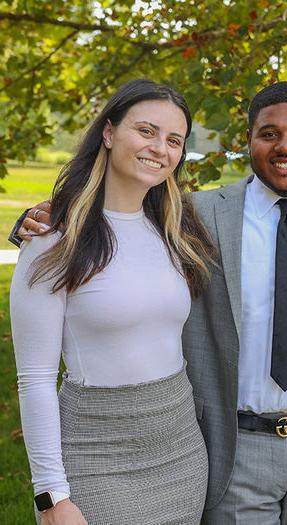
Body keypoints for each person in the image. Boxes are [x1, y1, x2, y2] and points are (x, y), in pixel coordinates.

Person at [15, 81, 287, 524]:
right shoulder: (199, 218)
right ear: (249, 139)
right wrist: (40, 221)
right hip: (231, 441)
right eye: (269, 133)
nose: (285, 146)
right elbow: (37, 371)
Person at [10, 79, 214, 523]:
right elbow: (36, 378)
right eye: (146, 131)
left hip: (181, 451)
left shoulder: (176, 232)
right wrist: (51, 496)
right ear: (108, 133)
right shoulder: (51, 240)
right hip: (95, 457)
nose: (159, 148)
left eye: (173, 140)